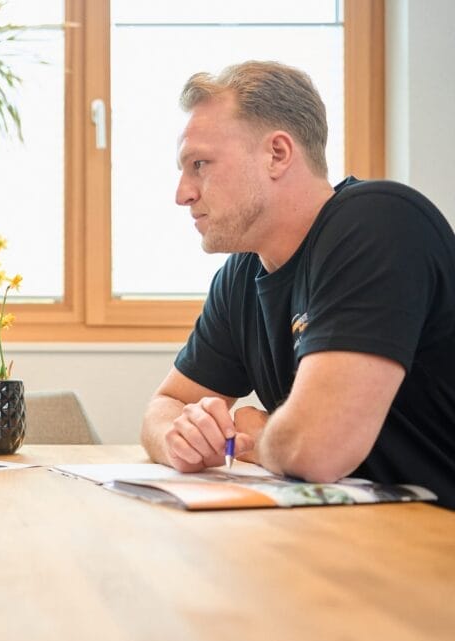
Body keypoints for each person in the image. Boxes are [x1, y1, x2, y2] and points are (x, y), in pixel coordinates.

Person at [140, 61, 455, 508]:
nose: (183, 193)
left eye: (199, 164)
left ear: (277, 154)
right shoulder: (241, 276)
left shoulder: (378, 223)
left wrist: (257, 434)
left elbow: (316, 451)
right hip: (360, 531)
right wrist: (182, 437)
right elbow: (166, 404)